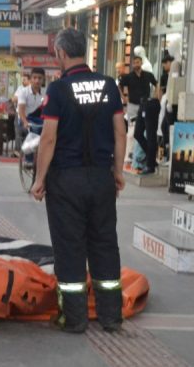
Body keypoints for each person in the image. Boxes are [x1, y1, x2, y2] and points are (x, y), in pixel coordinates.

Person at [31, 28, 125, 334]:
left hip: (66, 181)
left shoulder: (58, 91)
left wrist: (40, 179)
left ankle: (75, 318)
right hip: (101, 178)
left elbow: (48, 139)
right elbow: (120, 132)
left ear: (60, 53)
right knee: (104, 244)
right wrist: (119, 172)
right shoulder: (109, 86)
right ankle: (111, 317)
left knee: (70, 248)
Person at [120, 56, 160, 175]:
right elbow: (120, 86)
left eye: (138, 62)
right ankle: (146, 156)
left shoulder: (148, 75)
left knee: (148, 133)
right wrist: (124, 98)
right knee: (135, 132)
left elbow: (157, 84)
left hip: (148, 104)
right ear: (132, 64)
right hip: (134, 105)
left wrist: (157, 96)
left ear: (141, 63)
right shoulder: (128, 76)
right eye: (134, 62)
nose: (136, 64)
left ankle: (149, 160)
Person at [18, 68, 46, 164]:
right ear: (30, 79)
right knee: (33, 130)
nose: (37, 80)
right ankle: (29, 160)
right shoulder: (23, 92)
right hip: (25, 119)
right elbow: (21, 110)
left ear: (43, 80)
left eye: (40, 78)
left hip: (39, 119)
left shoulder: (45, 93)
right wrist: (25, 122)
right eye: (34, 78)